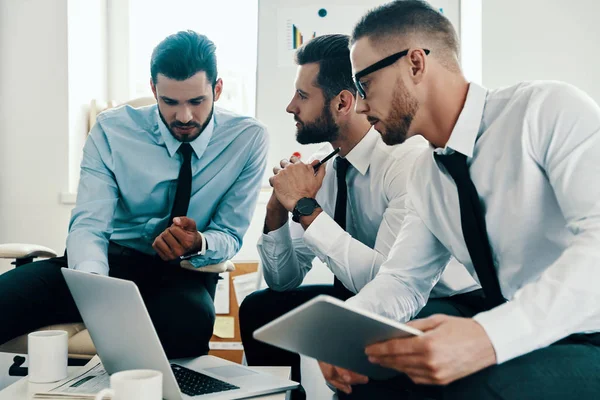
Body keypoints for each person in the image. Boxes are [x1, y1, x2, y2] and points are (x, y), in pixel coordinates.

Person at [316, 1, 600, 399]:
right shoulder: (427, 173)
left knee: (477, 392)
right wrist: (347, 332)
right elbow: (403, 280)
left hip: (588, 336)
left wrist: (488, 336)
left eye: (365, 85)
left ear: (415, 64)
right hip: (518, 334)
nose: (361, 105)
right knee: (373, 378)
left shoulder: (546, 110)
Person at [0, 30, 268, 359]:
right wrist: (97, 290)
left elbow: (228, 233)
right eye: (170, 102)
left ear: (217, 89)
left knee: (188, 322)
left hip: (179, 274)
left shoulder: (247, 139)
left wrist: (198, 243)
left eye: (196, 101)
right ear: (154, 89)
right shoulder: (112, 130)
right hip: (105, 263)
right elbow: (89, 224)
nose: (184, 117)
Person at [238, 34, 478, 399]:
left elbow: (390, 278)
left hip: (439, 298)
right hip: (365, 292)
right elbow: (283, 281)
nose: (290, 106)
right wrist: (276, 208)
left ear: (343, 102)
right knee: (262, 309)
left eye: (302, 96)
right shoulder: (322, 165)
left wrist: (307, 209)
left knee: (374, 338)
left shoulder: (406, 162)